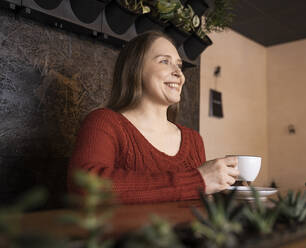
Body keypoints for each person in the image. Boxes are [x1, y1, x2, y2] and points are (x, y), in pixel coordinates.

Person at [67, 31, 239, 203]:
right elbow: (84, 186)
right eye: (165, 61)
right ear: (136, 68)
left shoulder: (193, 140)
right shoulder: (104, 122)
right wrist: (197, 180)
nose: (179, 73)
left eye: (179, 65)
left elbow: (198, 201)